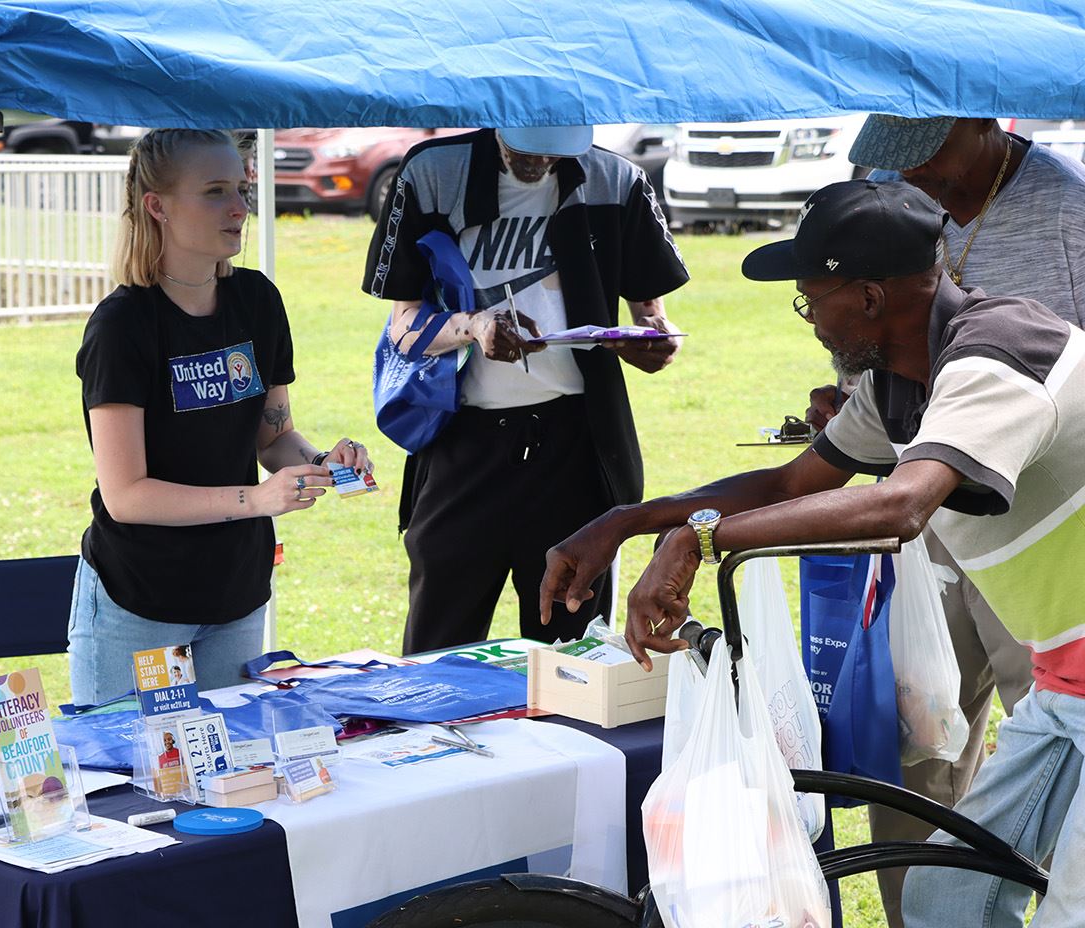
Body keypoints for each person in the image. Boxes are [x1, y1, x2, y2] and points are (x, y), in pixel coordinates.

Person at [541, 178, 1085, 928]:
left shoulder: (999, 354)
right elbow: (788, 482)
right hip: (1066, 684)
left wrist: (701, 538)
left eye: (809, 300)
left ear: (869, 297)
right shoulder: (900, 383)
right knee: (946, 895)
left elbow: (901, 505)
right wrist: (630, 520)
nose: (810, 321)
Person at [798, 115, 1085, 926]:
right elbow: (813, 469)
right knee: (936, 838)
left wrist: (706, 536)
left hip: (1030, 513)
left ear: (980, 120)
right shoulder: (894, 216)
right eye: (898, 167)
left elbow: (905, 493)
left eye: (926, 156)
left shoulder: (1064, 212)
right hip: (980, 559)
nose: (915, 178)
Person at [70, 128, 373, 702]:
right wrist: (255, 500)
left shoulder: (257, 301)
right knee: (133, 761)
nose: (239, 208)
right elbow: (126, 495)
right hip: (139, 599)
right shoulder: (122, 326)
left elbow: (273, 438)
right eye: (215, 192)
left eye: (242, 189)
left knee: (235, 755)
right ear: (157, 206)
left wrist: (320, 462)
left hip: (237, 592)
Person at [362, 125, 689, 653]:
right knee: (438, 649)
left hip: (575, 445)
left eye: (556, 152)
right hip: (463, 443)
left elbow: (653, 317)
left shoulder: (615, 178)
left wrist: (654, 341)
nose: (540, 162)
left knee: (571, 652)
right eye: (526, 148)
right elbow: (403, 327)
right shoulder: (434, 172)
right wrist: (474, 327)